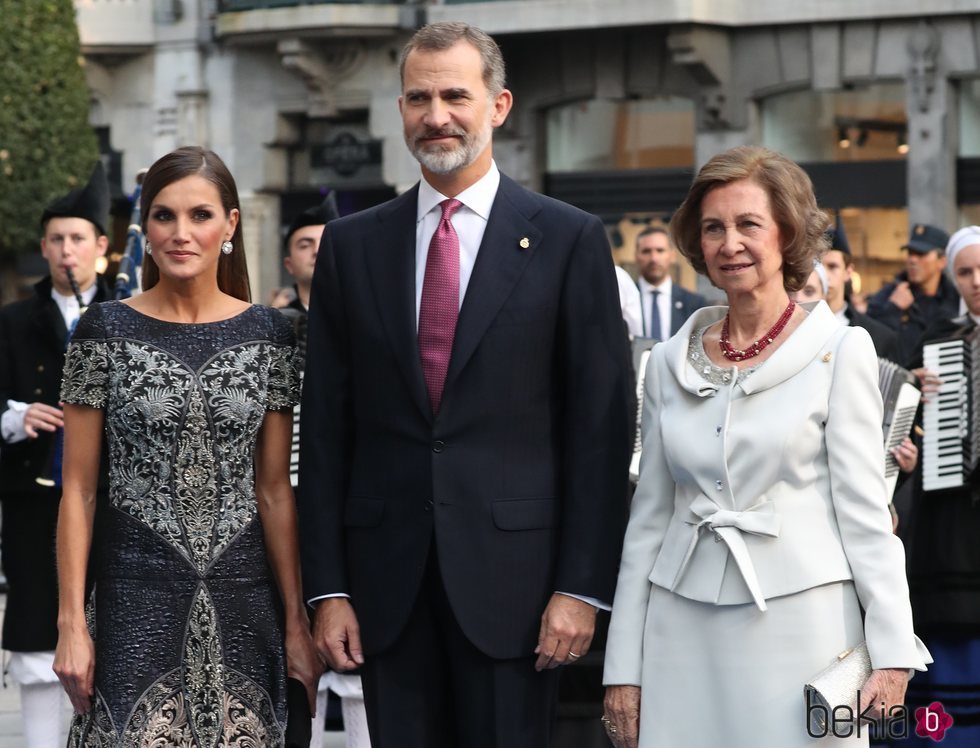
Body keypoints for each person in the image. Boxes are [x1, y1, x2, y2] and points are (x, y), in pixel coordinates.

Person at [297, 21, 632, 748]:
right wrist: (328, 590)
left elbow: (600, 430)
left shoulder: (567, 238)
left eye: (455, 94)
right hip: (387, 589)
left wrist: (580, 588)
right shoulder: (352, 248)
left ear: (499, 105)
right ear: (400, 109)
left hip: (520, 595)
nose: (437, 115)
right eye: (419, 97)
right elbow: (325, 430)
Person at [602, 145, 930, 748]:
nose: (730, 243)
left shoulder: (840, 350)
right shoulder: (669, 360)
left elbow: (864, 517)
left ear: (787, 235)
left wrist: (893, 652)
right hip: (679, 631)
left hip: (804, 632)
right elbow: (647, 523)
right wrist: (622, 669)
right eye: (713, 228)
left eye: (749, 224)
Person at [53, 146, 320, 745]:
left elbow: (274, 492)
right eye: (163, 216)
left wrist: (298, 621)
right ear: (144, 227)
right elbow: (80, 489)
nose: (180, 233)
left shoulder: (274, 334)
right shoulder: (103, 328)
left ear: (229, 225)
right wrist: (72, 621)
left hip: (247, 603)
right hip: (130, 602)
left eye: (200, 215)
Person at [0, 162, 111, 748]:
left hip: (117, 505)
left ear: (101, 246)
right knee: (40, 644)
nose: (67, 251)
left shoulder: (132, 313)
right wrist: (14, 418)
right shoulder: (12, 321)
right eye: (57, 239)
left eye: (78, 238)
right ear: (43, 248)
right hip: (36, 505)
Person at [282, 193, 371, 748]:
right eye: (306, 245)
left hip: (362, 504)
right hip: (285, 498)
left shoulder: (379, 327)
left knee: (361, 655)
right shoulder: (273, 330)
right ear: (289, 260)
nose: (320, 254)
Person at [897, 225, 980, 747]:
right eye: (966, 272)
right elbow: (911, 443)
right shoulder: (939, 343)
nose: (976, 281)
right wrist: (913, 395)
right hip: (953, 521)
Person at [866, 223, 957, 365]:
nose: (912, 260)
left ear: (942, 261)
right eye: (910, 253)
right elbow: (871, 341)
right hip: (900, 383)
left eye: (921, 254)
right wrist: (893, 309)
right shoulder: (887, 297)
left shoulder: (956, 300)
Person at [822, 217, 898, 361]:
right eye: (817, 266)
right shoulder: (795, 329)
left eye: (832, 267)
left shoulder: (879, 336)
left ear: (848, 272)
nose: (824, 276)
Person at [634, 226, 707, 340]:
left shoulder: (694, 304)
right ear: (636, 256)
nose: (654, 258)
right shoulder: (622, 301)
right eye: (646, 251)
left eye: (660, 250)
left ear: (672, 256)